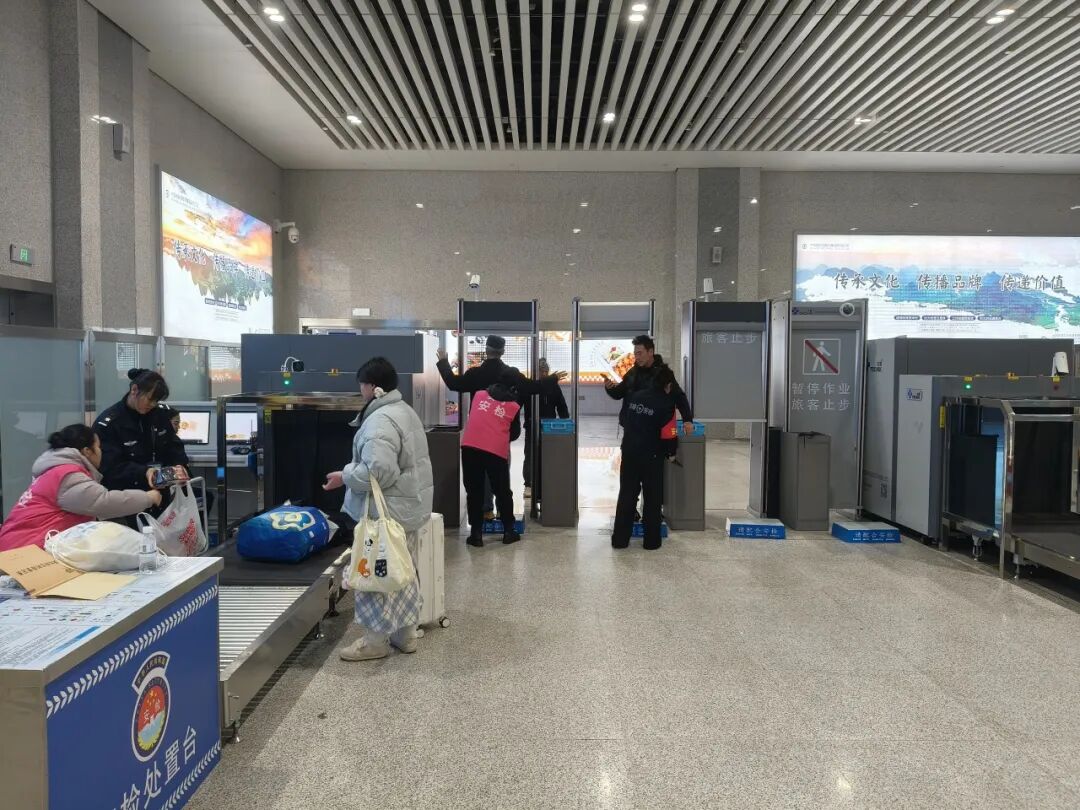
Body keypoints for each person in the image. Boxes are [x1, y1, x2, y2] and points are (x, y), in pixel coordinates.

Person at [323, 357, 434, 662]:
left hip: (386, 513)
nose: (360, 390)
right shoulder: (404, 410)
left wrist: (344, 475)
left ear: (373, 387)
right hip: (406, 508)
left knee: (372, 572)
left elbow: (378, 472)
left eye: (362, 384)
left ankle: (374, 641)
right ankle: (405, 635)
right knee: (402, 572)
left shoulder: (380, 420)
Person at [436, 335, 565, 526]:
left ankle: (486, 511)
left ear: (486, 351)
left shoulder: (475, 374)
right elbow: (533, 387)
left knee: (480, 475)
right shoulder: (511, 373)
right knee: (500, 474)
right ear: (503, 351)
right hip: (503, 432)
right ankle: (504, 517)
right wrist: (553, 379)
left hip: (479, 434)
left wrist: (443, 362)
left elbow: (453, 383)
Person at [0, 424, 161, 551]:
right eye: (98, 447)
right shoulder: (67, 474)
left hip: (20, 547)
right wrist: (147, 498)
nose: (101, 452)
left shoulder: (55, 470)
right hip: (24, 552)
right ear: (87, 451)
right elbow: (103, 502)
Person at [94, 369, 189, 498]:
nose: (153, 404)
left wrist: (179, 465)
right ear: (134, 390)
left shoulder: (160, 415)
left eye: (156, 401)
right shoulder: (110, 423)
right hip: (127, 494)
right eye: (150, 399)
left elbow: (173, 445)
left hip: (163, 490)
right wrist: (144, 472)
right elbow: (110, 467)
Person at [612, 366, 678, 551]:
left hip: (630, 452)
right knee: (652, 498)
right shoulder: (667, 404)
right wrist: (671, 453)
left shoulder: (636, 397)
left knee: (627, 495)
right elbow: (669, 434)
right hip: (652, 456)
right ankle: (651, 542)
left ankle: (620, 540)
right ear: (668, 385)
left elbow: (625, 420)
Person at [460, 375, 523, 547]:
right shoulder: (513, 406)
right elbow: (514, 433)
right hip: (495, 449)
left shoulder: (479, 395)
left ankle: (476, 534)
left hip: (470, 446)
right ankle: (509, 531)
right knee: (502, 491)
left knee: (474, 491)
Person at [604, 335, 694, 432]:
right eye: (635, 354)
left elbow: (678, 396)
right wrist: (610, 388)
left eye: (640, 353)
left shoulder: (663, 373)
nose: (637, 357)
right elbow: (618, 393)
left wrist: (687, 420)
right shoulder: (632, 373)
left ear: (650, 352)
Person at [522, 357, 569, 501]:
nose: (543, 374)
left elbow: (561, 405)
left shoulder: (553, 387)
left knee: (548, 455)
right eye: (541, 371)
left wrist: (566, 423)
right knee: (530, 455)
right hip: (532, 425)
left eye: (545, 372)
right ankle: (528, 484)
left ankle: (546, 482)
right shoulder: (529, 385)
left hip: (549, 427)